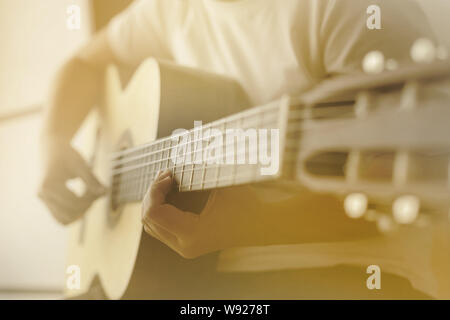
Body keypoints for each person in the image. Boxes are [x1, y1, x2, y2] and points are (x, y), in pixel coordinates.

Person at [39, 0, 440, 298]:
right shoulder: (171, 8)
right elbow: (83, 63)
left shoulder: (348, 9)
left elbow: (405, 179)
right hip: (197, 278)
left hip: (350, 274)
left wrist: (259, 224)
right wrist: (53, 141)